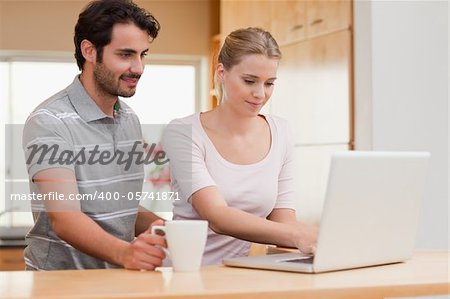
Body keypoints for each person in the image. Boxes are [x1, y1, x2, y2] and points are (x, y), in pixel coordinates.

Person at [22, 0, 166, 270]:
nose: (138, 68)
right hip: (59, 286)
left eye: (143, 54)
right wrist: (127, 254)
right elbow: (66, 219)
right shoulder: (49, 121)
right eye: (125, 55)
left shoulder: (129, 119)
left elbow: (117, 211)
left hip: (116, 282)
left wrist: (167, 229)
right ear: (89, 51)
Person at [162, 27, 318, 265]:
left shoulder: (281, 132)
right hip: (188, 273)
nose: (260, 94)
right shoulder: (183, 132)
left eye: (269, 83)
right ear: (222, 73)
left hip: (241, 273)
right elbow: (217, 216)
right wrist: (299, 235)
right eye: (249, 81)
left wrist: (326, 238)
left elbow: (283, 220)